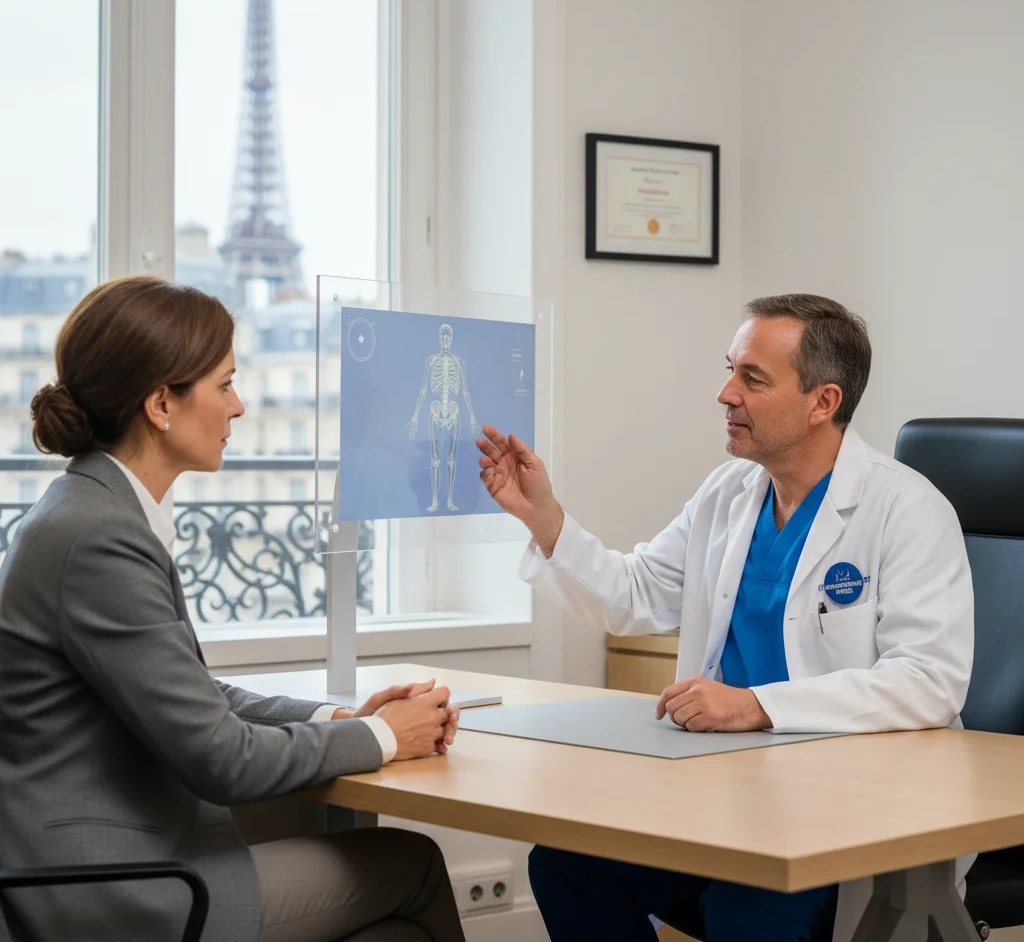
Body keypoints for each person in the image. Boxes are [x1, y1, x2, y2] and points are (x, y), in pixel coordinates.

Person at [476, 294, 974, 942]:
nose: (724, 393)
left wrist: (756, 705)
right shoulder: (729, 492)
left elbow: (927, 681)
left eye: (751, 379)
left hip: (840, 812)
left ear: (823, 402)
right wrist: (542, 517)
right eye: (730, 370)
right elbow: (637, 593)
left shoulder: (907, 510)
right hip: (724, 799)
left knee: (746, 910)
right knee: (567, 866)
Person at [0, 276, 466, 942]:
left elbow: (193, 695)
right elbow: (223, 758)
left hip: (117, 862)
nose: (240, 406)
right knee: (412, 866)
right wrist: (388, 737)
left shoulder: (88, 511)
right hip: (113, 893)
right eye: (224, 385)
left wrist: (340, 717)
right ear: (162, 403)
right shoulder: (100, 537)